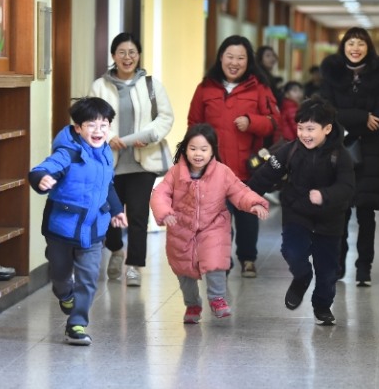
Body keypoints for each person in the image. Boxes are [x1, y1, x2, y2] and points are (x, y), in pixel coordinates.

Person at [28, 97, 128, 346]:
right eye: (91, 125)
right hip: (62, 227)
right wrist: (41, 179)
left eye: (104, 125)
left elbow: (108, 185)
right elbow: (43, 169)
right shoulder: (68, 152)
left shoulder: (105, 152)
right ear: (78, 128)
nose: (98, 131)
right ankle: (65, 294)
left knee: (88, 277)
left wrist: (116, 210)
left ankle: (77, 324)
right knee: (60, 274)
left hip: (94, 227)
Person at [247, 95, 355, 325]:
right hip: (297, 215)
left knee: (327, 272)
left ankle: (323, 306)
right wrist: (247, 196)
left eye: (310, 129)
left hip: (330, 222)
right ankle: (302, 277)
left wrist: (324, 195)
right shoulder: (290, 151)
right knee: (293, 253)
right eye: (300, 128)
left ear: (327, 129)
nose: (304, 134)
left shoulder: (340, 156)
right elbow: (266, 174)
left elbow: (347, 187)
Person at [150, 123, 269, 323]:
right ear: (185, 149)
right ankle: (192, 304)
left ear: (213, 150)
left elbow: (240, 191)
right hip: (181, 229)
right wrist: (164, 212)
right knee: (183, 270)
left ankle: (217, 299)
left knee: (215, 262)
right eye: (193, 148)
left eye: (204, 149)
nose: (198, 154)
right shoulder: (175, 173)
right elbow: (159, 194)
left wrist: (255, 203)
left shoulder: (222, 172)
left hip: (213, 226)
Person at [187, 35, 280, 278]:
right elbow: (194, 123)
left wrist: (251, 122)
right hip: (214, 168)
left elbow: (274, 122)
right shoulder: (205, 87)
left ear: (249, 61)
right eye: (230, 56)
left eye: (241, 57)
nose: (235, 62)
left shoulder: (260, 87)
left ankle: (248, 258)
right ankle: (221, 261)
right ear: (220, 58)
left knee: (247, 216)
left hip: (248, 166)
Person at [88, 32, 174, 287]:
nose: (128, 57)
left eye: (132, 52)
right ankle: (115, 249)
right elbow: (90, 117)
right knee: (112, 213)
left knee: (137, 215)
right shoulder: (99, 86)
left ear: (138, 56)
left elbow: (165, 117)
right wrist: (109, 136)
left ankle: (135, 265)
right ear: (114, 56)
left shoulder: (151, 85)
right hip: (109, 162)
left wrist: (149, 136)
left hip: (142, 161)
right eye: (122, 53)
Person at [319, 27, 379, 287]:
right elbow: (324, 111)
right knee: (339, 213)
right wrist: (362, 117)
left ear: (368, 48)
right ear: (343, 47)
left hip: (370, 154)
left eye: (361, 43)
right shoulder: (331, 74)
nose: (355, 48)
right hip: (337, 153)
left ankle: (364, 267)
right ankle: (338, 265)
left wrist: (349, 118)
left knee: (366, 214)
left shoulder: (377, 75)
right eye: (351, 42)